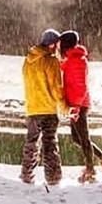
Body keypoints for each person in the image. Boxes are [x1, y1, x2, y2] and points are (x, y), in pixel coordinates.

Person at [59, 29, 102, 183]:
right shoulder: (73, 59)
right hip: (76, 104)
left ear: (66, 45)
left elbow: (81, 86)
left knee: (83, 138)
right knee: (78, 138)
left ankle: (91, 170)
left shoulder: (76, 61)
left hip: (79, 105)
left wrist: (76, 107)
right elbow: (63, 68)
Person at [20, 28, 66, 185]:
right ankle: (53, 178)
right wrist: (64, 105)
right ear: (53, 45)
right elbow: (56, 87)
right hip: (48, 109)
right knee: (50, 144)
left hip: (32, 108)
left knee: (31, 144)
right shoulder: (51, 61)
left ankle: (27, 175)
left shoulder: (28, 60)